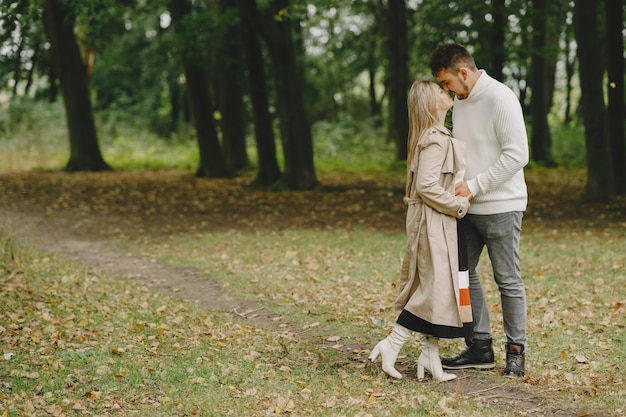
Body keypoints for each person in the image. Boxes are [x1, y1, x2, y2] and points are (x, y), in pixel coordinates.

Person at [428, 43, 529, 377]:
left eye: (447, 83)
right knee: (462, 274)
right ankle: (480, 346)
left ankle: (516, 352)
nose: (445, 90)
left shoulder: (501, 98)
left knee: (507, 280)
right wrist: (458, 188)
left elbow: (518, 155)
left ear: (463, 73)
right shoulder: (461, 103)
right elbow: (463, 154)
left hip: (502, 206)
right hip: (466, 209)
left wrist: (475, 185)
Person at [368, 80, 472, 382]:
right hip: (433, 221)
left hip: (437, 220)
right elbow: (427, 186)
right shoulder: (435, 140)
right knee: (433, 288)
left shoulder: (435, 136)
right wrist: (458, 205)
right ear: (431, 103)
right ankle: (392, 344)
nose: (447, 91)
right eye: (440, 91)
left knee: (441, 290)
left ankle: (430, 355)